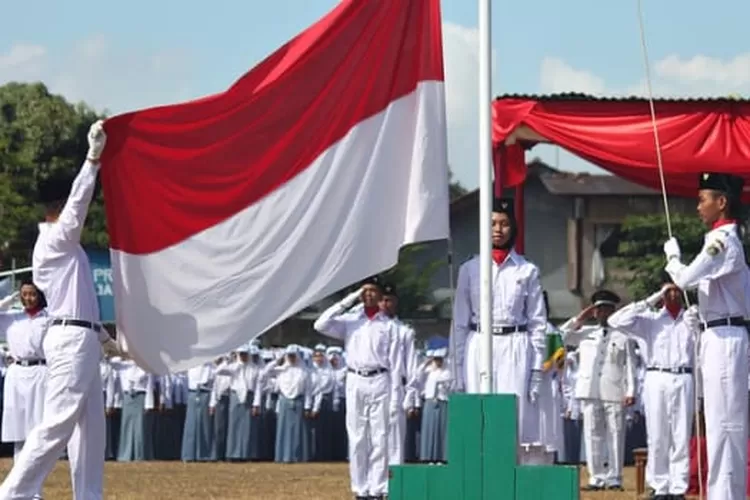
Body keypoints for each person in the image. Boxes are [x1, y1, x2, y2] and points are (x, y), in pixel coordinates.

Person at [0, 120, 112, 500]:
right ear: (59, 208)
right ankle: (13, 493)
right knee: (58, 423)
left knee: (91, 430)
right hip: (69, 338)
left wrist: (103, 336)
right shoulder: (55, 242)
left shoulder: (65, 246)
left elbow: (78, 297)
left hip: (82, 334)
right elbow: (79, 205)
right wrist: (92, 160)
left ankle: (89, 496)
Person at [663, 171, 750, 500]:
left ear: (722, 202)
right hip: (717, 333)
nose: (698, 207)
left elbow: (685, 278)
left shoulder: (722, 241)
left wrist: (672, 257)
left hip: (726, 337)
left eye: (703, 199)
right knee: (717, 424)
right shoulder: (720, 239)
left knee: (726, 425)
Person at [450, 197, 547, 464]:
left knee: (514, 416)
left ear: (512, 228)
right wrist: (456, 369)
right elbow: (459, 321)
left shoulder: (527, 270)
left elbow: (538, 322)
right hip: (479, 341)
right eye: (492, 223)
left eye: (504, 223)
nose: (498, 229)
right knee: (478, 413)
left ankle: (509, 476)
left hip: (515, 343)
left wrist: (537, 370)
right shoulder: (469, 269)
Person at [314, 276, 402, 500]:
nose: (369, 295)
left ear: (381, 296)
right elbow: (321, 323)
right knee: (357, 436)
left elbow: (395, 364)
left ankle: (378, 488)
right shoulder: (350, 321)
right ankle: (360, 488)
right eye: (365, 291)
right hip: (355, 379)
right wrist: (351, 298)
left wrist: (395, 398)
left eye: (373, 291)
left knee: (380, 437)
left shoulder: (389, 326)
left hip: (380, 379)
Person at [608, 281, 695, 500]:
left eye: (677, 289)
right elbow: (615, 320)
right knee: (657, 434)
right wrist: (651, 298)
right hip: (657, 375)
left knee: (681, 435)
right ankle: (660, 485)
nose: (673, 294)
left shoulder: (692, 318)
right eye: (669, 290)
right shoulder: (651, 320)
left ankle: (678, 487)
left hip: (684, 375)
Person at [559, 290, 637, 492]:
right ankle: (596, 477)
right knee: (592, 434)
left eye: (608, 309)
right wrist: (579, 318)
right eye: (600, 309)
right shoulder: (585, 333)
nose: (604, 313)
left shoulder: (623, 335)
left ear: (614, 311)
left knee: (616, 433)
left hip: (614, 388)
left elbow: (630, 364)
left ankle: (615, 477)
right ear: (594, 312)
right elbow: (561, 336)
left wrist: (631, 391)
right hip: (590, 390)